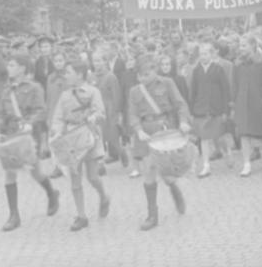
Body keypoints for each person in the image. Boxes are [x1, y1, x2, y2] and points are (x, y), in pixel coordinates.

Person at [0, 55, 59, 232]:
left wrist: (30, 122)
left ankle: (51, 193)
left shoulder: (34, 88)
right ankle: (13, 216)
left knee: (35, 172)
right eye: (9, 64)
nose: (9, 67)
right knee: (9, 173)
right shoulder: (7, 90)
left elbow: (41, 110)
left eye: (12, 64)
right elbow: (0, 113)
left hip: (29, 136)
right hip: (11, 135)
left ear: (22, 68)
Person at [128, 54, 191, 231]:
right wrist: (138, 130)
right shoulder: (135, 91)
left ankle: (174, 188)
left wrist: (184, 121)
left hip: (165, 130)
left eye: (146, 74)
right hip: (146, 134)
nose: (143, 78)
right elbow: (132, 114)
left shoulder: (167, 83)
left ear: (154, 70)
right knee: (149, 172)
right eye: (139, 75)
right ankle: (152, 215)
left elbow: (180, 104)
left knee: (165, 170)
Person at [50, 59, 110, 232]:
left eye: (69, 72)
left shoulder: (93, 92)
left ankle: (104, 196)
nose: (66, 75)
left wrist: (94, 117)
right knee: (75, 178)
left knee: (92, 177)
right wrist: (57, 131)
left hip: (88, 137)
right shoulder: (64, 95)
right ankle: (81, 216)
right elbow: (58, 117)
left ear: (80, 75)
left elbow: (100, 112)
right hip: (71, 140)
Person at [232, 36, 262, 177]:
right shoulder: (237, 64)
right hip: (242, 103)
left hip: (258, 102)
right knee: (244, 133)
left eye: (244, 45)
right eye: (240, 45)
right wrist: (234, 103)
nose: (241, 48)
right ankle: (246, 164)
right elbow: (235, 85)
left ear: (252, 45)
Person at [188, 42, 231, 178]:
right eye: (201, 54)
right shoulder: (196, 71)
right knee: (204, 138)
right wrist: (192, 109)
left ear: (211, 54)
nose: (203, 57)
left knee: (219, 136)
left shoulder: (218, 69)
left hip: (216, 108)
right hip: (201, 109)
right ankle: (206, 165)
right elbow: (193, 91)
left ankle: (227, 151)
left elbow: (225, 90)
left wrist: (225, 110)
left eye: (205, 54)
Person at [92, 49, 127, 167]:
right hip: (97, 109)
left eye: (99, 61)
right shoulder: (92, 76)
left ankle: (122, 152)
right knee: (98, 137)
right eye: (94, 61)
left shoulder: (110, 76)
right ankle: (100, 164)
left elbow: (117, 95)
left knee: (113, 137)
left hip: (110, 109)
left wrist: (117, 112)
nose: (96, 64)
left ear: (105, 61)